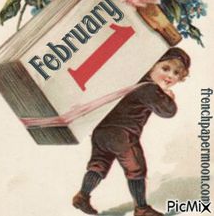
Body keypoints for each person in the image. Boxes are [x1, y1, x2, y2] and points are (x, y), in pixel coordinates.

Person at [72, 47, 191, 216]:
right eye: (165, 68)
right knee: (136, 168)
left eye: (177, 73)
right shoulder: (150, 88)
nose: (170, 76)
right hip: (123, 135)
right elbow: (168, 111)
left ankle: (82, 196)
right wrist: (169, 99)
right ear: (152, 67)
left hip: (102, 132)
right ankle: (141, 209)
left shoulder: (136, 81)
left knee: (99, 164)